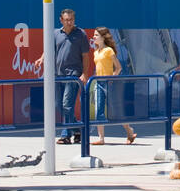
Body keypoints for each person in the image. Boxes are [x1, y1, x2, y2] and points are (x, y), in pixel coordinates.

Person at [33, 8, 92, 144]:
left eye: (71, 19)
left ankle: (65, 135)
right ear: (61, 20)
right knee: (60, 105)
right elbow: (48, 50)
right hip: (57, 74)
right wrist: (41, 59)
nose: (69, 22)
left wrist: (84, 73)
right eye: (66, 20)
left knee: (67, 104)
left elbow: (85, 56)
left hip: (73, 74)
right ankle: (78, 129)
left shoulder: (80, 34)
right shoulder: (55, 34)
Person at [90, 28, 135, 146]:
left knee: (116, 110)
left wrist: (112, 78)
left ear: (103, 37)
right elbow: (98, 67)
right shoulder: (96, 52)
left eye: (96, 35)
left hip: (109, 83)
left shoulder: (109, 50)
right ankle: (101, 138)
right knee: (98, 111)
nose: (94, 37)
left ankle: (129, 131)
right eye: (94, 35)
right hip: (98, 83)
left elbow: (118, 67)